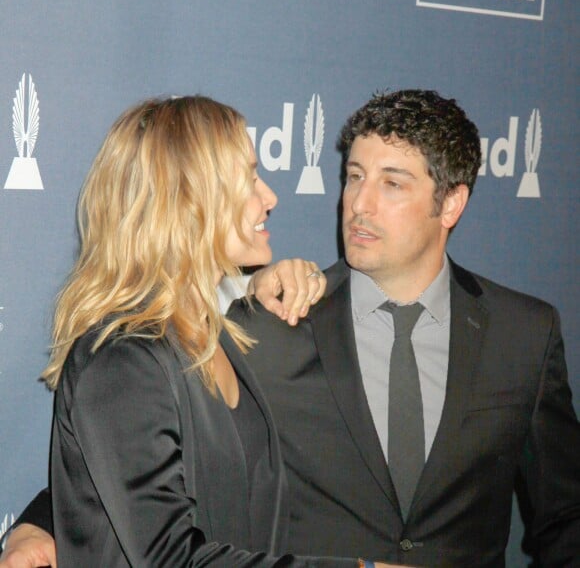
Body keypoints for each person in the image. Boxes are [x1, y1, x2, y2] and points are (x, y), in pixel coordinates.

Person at [3, 90, 580, 566]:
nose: (359, 204)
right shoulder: (269, 326)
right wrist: (41, 525)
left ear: (451, 203)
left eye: (393, 183)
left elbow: (566, 516)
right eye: (354, 176)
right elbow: (133, 470)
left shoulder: (524, 334)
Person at [1, 95, 389, 567]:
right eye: (247, 178)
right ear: (186, 201)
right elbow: (170, 559)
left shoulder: (214, 334)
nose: (270, 197)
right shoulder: (123, 358)